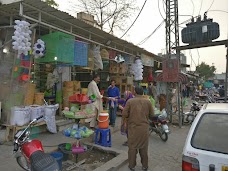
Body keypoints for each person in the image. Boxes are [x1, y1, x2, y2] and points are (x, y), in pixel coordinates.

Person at [122, 86, 154, 171]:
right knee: (143, 148)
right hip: (144, 129)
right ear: (142, 93)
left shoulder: (130, 101)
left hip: (133, 128)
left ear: (135, 92)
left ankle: (132, 166)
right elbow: (152, 115)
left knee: (132, 147)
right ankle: (145, 166)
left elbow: (124, 114)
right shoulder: (148, 102)